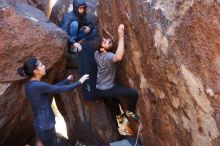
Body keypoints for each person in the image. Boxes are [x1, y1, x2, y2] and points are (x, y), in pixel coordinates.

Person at [17, 57, 89, 146]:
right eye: (41, 65)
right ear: (35, 71)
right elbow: (58, 89)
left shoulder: (29, 85)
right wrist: (79, 82)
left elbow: (52, 88)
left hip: (40, 125)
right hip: (46, 126)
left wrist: (66, 80)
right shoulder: (38, 86)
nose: (44, 66)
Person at [94, 24, 139, 123]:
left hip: (100, 87)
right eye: (105, 41)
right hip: (108, 88)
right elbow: (118, 57)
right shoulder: (108, 57)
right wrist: (121, 36)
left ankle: (119, 116)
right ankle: (129, 112)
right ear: (101, 48)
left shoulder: (96, 54)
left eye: (107, 40)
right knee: (133, 93)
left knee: (115, 97)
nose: (108, 41)